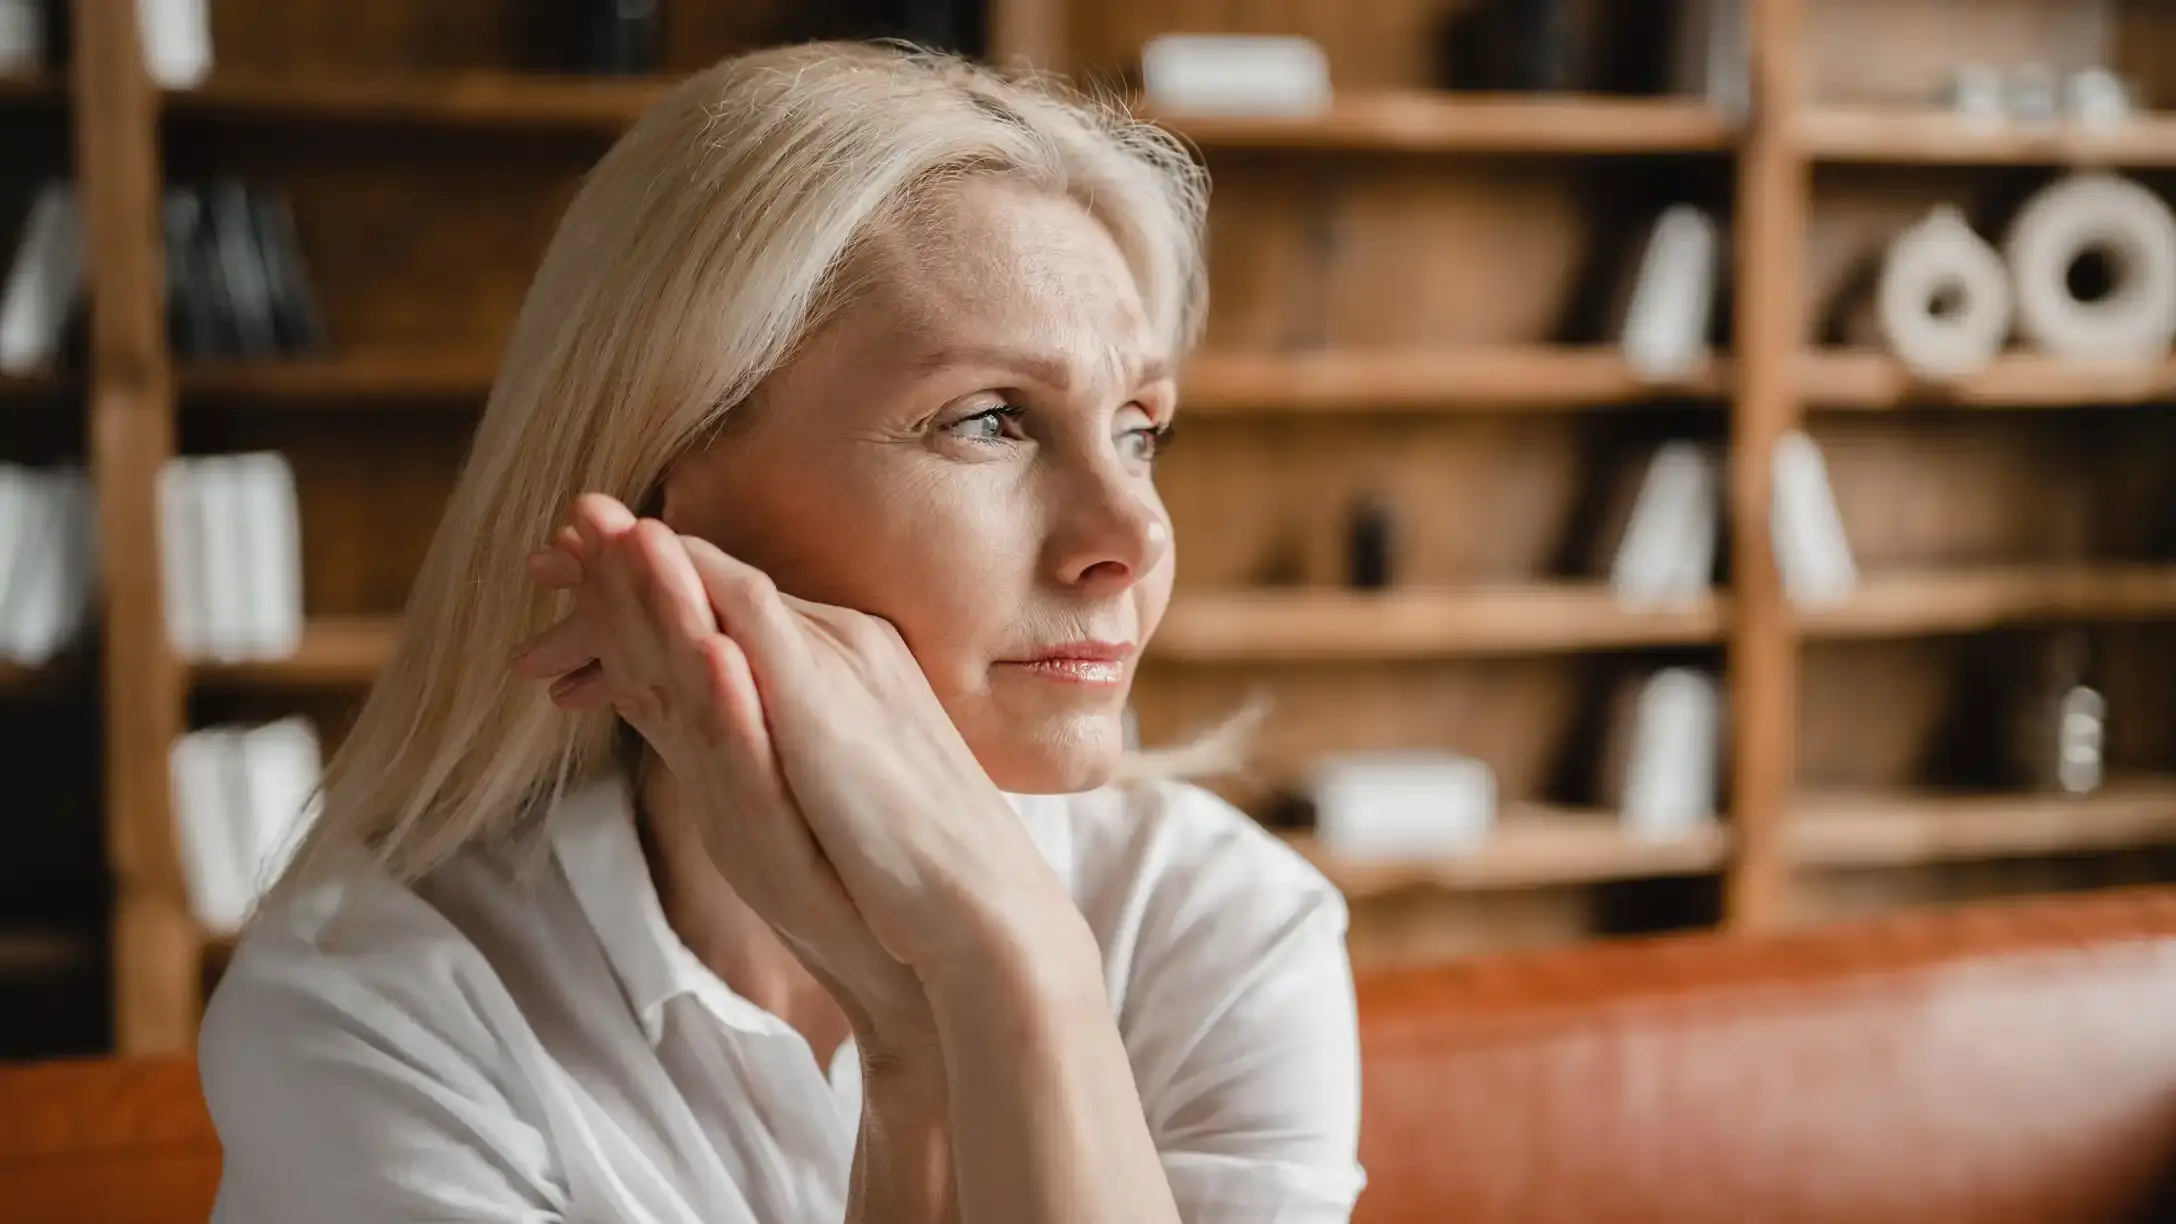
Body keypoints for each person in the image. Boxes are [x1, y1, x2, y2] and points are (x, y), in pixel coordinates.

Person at [198, 40, 1363, 1224]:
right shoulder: (379, 1010)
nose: (1134, 533)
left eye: (1138, 428)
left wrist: (1006, 984)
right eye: (989, 421)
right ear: (663, 486)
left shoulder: (1221, 928)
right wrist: (948, 1024)